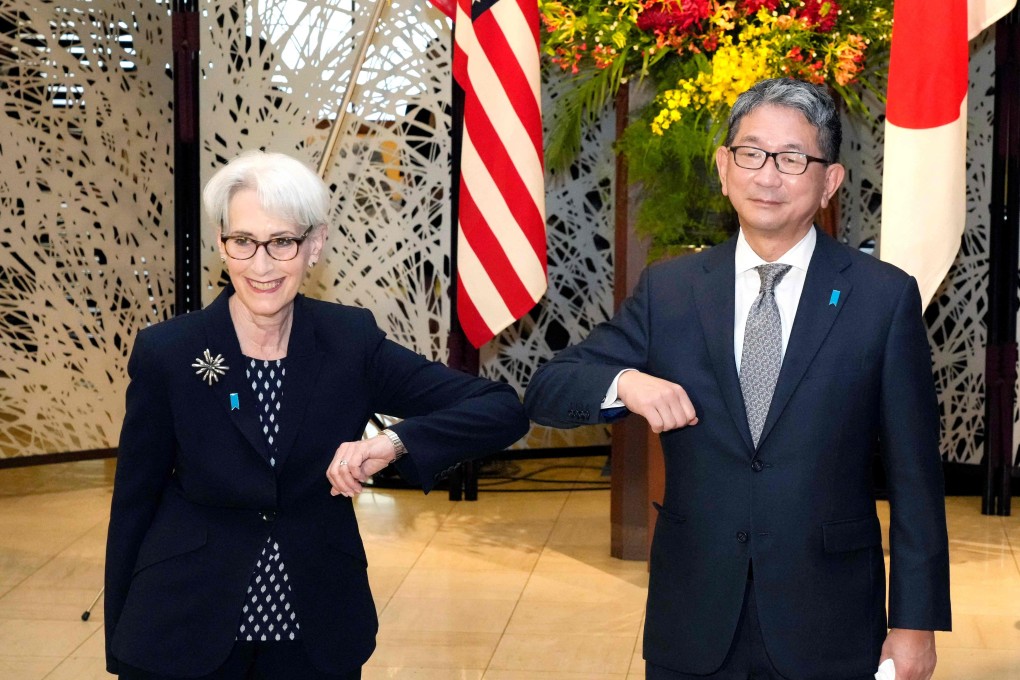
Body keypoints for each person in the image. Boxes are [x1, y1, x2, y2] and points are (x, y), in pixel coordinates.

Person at [524, 78, 951, 680]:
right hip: (693, 618)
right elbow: (550, 387)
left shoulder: (881, 298)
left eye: (792, 159)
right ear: (724, 168)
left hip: (827, 621)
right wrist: (627, 384)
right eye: (749, 154)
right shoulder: (671, 290)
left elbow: (916, 480)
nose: (767, 176)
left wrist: (914, 624)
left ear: (829, 181)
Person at [104, 150, 529, 679]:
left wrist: (392, 443)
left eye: (282, 242)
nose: (261, 266)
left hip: (317, 625)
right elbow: (133, 503)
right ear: (221, 244)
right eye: (244, 242)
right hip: (185, 625)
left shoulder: (350, 342)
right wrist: (120, 644)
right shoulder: (168, 351)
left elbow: (499, 409)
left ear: (315, 246)